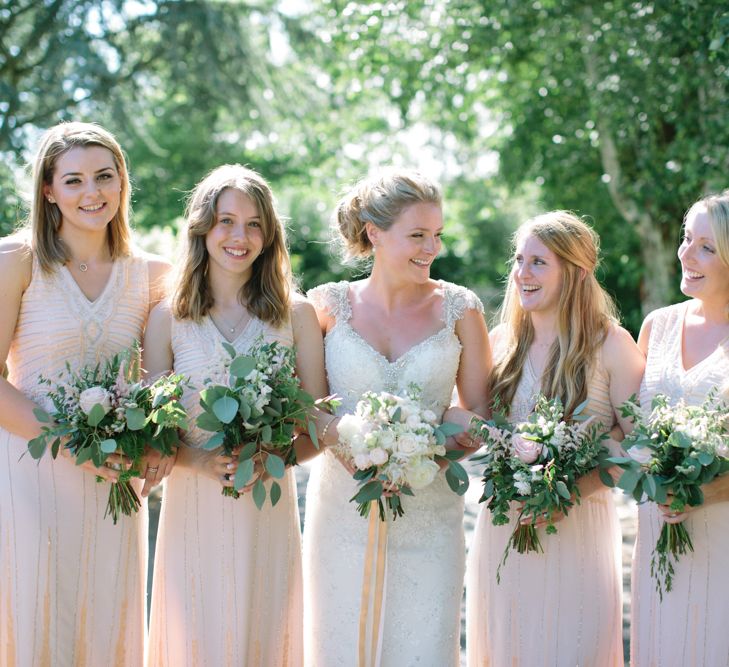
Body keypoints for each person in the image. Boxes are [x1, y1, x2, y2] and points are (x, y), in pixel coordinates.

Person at [302, 168, 491, 666]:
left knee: (423, 646)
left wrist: (423, 448)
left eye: (437, 235)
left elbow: (479, 415)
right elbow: (308, 407)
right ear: (374, 233)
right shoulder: (325, 306)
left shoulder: (460, 309)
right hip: (342, 510)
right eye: (417, 235)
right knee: (341, 643)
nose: (431, 248)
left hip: (428, 513)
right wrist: (353, 451)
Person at [143, 164, 327, 666]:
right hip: (192, 504)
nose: (238, 236)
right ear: (202, 227)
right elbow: (153, 434)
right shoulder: (166, 319)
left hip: (265, 503)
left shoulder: (297, 315)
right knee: (195, 634)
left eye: (253, 223)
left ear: (269, 235)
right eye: (225, 220)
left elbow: (318, 422)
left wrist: (275, 459)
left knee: (261, 634)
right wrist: (197, 462)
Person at [0, 121, 170, 665]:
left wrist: (158, 440)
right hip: (31, 472)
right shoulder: (16, 261)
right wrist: (69, 443)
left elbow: (163, 380)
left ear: (123, 182)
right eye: (73, 180)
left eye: (104, 176)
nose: (91, 192)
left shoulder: (153, 275)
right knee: (36, 616)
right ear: (48, 189)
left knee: (105, 622)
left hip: (116, 479)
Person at [466, 211, 644, 666]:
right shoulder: (501, 342)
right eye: (519, 260)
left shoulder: (611, 345)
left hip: (578, 531)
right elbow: (469, 417)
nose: (522, 273)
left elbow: (639, 445)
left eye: (539, 262)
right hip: (503, 528)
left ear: (577, 272)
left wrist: (565, 495)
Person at [631, 191, 729, 666]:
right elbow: (623, 426)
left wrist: (704, 493)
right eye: (687, 239)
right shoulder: (657, 326)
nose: (686, 255)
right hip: (657, 532)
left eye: (706, 247)